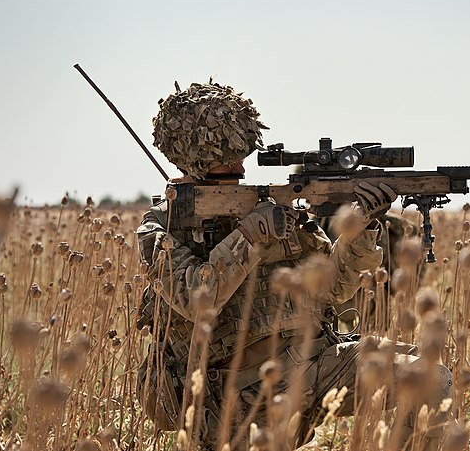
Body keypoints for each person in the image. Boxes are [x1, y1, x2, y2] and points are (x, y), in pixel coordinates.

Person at [135, 82, 451, 450]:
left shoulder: (272, 206)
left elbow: (334, 288)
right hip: (241, 394)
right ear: (196, 158)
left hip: (318, 361)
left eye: (241, 154)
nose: (240, 166)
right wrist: (249, 236)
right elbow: (197, 299)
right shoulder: (163, 225)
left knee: (431, 379)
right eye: (227, 157)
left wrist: (362, 226)